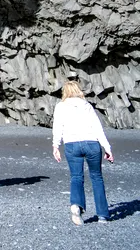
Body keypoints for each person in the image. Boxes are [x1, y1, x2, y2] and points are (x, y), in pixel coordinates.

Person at [53, 80, 114, 224]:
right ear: (78, 91)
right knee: (97, 177)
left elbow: (58, 127)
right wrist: (107, 148)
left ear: (65, 92)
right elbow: (97, 128)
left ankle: (76, 206)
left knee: (76, 177)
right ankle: (103, 215)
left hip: (72, 144)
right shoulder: (87, 106)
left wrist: (55, 146)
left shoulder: (60, 106)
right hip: (92, 143)